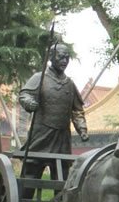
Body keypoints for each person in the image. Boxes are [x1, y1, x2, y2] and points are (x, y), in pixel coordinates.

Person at [18, 42, 89, 187]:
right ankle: (23, 201)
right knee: (30, 175)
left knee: (62, 180)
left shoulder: (69, 84)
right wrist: (29, 102)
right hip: (41, 135)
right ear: (51, 57)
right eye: (61, 57)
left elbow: (77, 111)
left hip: (62, 138)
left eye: (67, 58)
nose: (64, 61)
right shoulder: (40, 78)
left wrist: (82, 129)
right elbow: (24, 95)